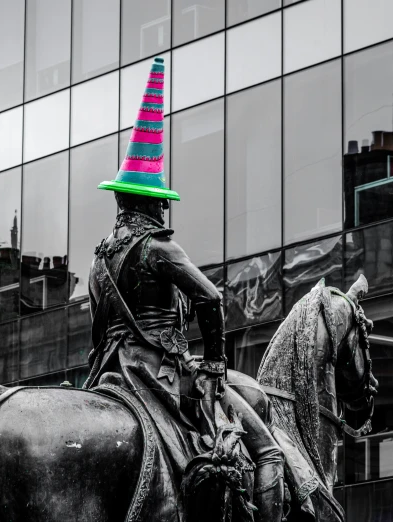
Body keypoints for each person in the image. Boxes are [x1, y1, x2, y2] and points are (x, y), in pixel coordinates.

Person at [85, 57, 285, 522]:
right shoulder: (158, 247)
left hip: (110, 374)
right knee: (269, 452)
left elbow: (98, 331)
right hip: (161, 375)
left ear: (119, 199)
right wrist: (215, 361)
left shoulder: (99, 259)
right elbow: (210, 299)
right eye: (160, 199)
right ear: (153, 200)